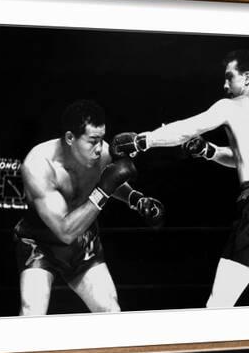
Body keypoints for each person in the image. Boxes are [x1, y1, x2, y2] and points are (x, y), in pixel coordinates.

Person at [110, 50, 249, 308]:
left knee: (218, 305)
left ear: (248, 78)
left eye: (230, 77)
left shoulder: (230, 106)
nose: (224, 84)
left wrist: (144, 140)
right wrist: (211, 152)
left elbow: (187, 128)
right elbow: (245, 158)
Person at [14, 99, 164, 315]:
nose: (99, 148)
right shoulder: (38, 165)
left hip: (83, 241)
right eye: (92, 141)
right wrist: (104, 190)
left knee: (110, 310)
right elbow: (65, 231)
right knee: (32, 313)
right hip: (40, 244)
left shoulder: (101, 153)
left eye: (102, 139)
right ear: (69, 138)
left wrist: (136, 199)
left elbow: (111, 180)